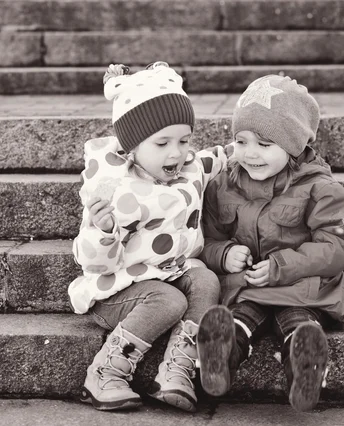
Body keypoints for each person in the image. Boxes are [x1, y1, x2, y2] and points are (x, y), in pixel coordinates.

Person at [69, 62, 227, 412]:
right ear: (132, 147)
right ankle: (105, 373)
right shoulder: (116, 192)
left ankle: (177, 370)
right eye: (162, 143)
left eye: (184, 140)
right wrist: (104, 230)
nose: (176, 152)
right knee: (169, 300)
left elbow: (219, 157)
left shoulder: (188, 166)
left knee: (205, 279)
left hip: (171, 269)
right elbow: (93, 262)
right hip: (119, 289)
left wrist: (255, 146)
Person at [196, 75, 344, 412]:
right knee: (239, 315)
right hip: (248, 286)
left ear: (293, 145)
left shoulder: (320, 189)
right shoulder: (221, 185)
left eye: (265, 144)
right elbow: (208, 238)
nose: (250, 153)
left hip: (301, 286)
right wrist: (224, 255)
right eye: (241, 142)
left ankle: (305, 366)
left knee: (297, 318)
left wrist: (284, 265)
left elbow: (338, 245)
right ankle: (220, 359)